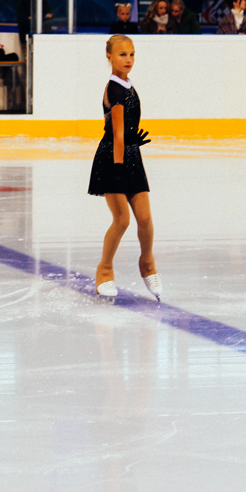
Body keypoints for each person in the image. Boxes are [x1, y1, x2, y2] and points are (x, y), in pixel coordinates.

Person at [87, 35, 161, 302]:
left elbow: (126, 130)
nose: (128, 59)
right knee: (122, 220)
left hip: (130, 154)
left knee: (145, 219)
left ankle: (147, 263)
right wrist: (118, 166)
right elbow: (117, 133)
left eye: (131, 54)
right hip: (113, 158)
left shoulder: (128, 84)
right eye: (122, 54)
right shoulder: (115, 89)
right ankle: (104, 270)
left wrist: (132, 142)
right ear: (109, 57)